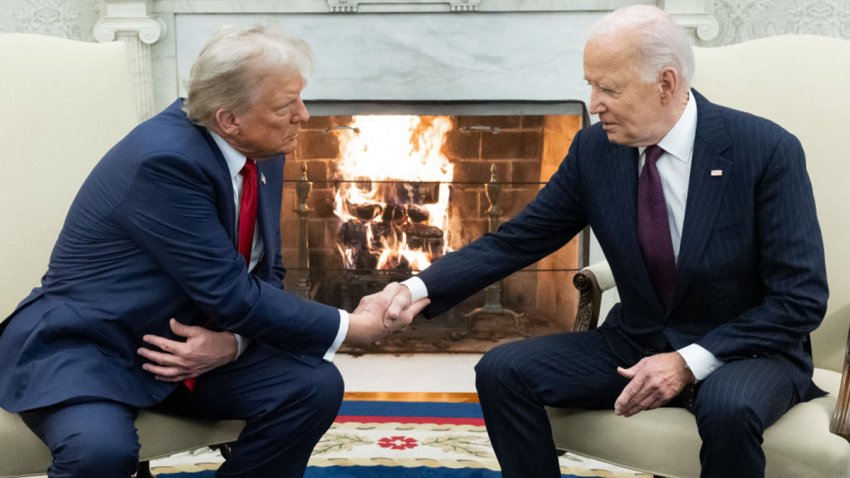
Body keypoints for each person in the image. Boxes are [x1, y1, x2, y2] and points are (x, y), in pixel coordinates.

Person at [384, 5, 828, 478]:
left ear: (666, 83)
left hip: (745, 350)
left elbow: (799, 299)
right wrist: (415, 289)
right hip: (636, 339)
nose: (593, 103)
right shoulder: (595, 150)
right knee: (502, 371)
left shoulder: (764, 149)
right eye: (590, 84)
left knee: (728, 410)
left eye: (609, 88)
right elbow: (517, 241)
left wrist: (686, 362)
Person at [0, 25, 425, 478]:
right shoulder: (164, 162)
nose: (303, 114)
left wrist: (234, 344)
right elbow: (230, 291)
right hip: (95, 348)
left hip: (186, 347)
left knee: (311, 386)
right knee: (99, 452)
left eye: (300, 98)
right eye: (286, 106)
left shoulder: (263, 147)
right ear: (229, 119)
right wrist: (352, 328)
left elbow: (265, 268)